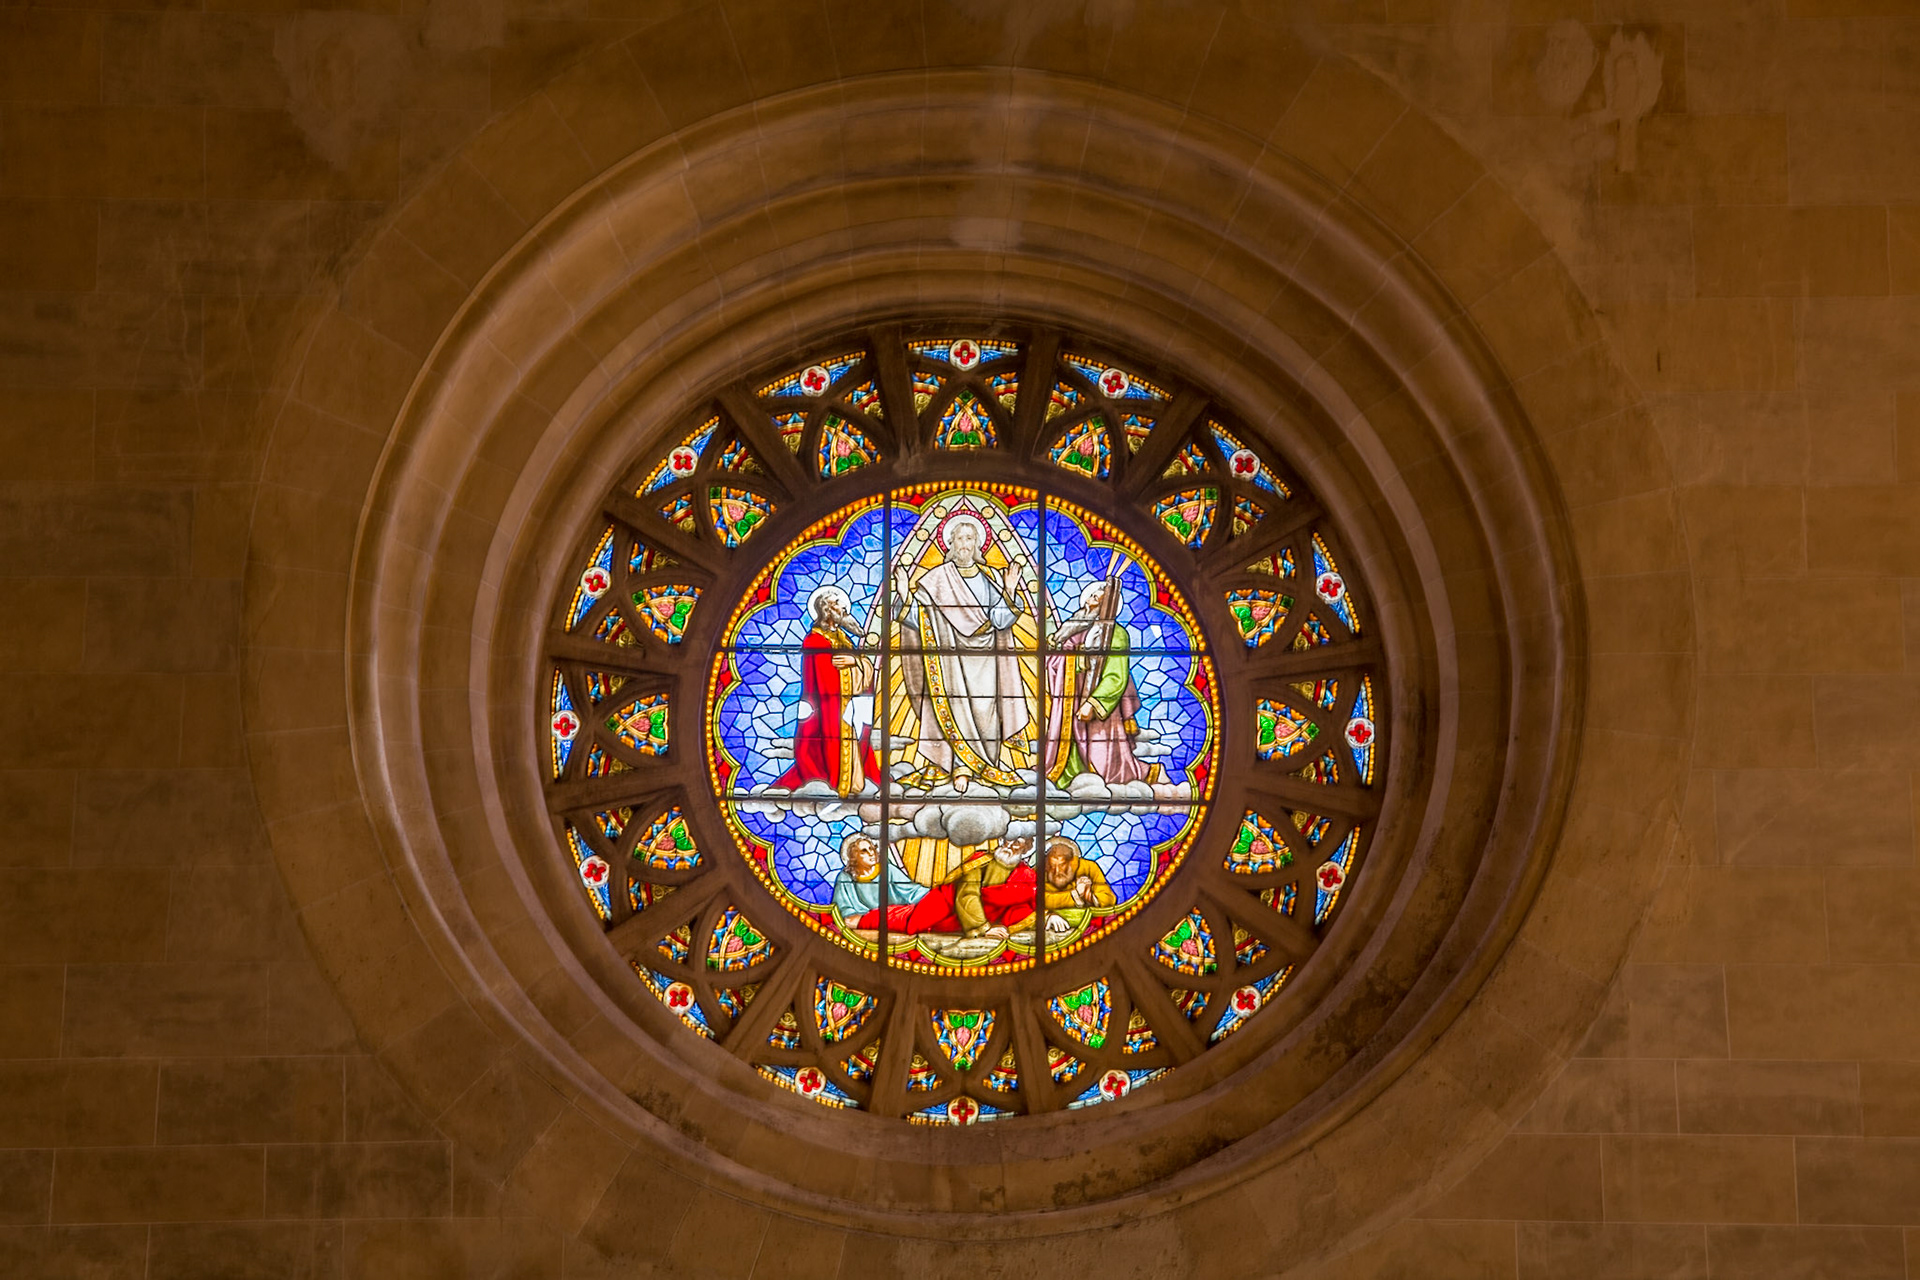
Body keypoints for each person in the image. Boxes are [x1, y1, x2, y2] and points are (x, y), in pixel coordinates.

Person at [887, 512, 1032, 789]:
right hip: (947, 661)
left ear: (978, 543)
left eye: (970, 538)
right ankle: (954, 766)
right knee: (946, 705)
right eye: (959, 538)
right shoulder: (937, 579)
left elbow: (1000, 621)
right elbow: (917, 618)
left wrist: (1010, 591)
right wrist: (905, 593)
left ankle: (983, 766)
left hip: (986, 661)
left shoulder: (990, 579)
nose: (964, 544)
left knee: (985, 711)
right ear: (950, 543)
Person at [1043, 578, 1156, 787]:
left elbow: (1117, 676)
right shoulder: (1073, 626)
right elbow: (1056, 661)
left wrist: (1093, 703)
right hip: (1068, 700)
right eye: (1092, 596)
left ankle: (1112, 782)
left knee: (1106, 763)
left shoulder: (1116, 635)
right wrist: (1070, 657)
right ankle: (1066, 774)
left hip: (1098, 706)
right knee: (1066, 747)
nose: (1091, 602)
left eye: (1098, 599)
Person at [777, 585, 881, 795]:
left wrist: (857, 663)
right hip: (826, 710)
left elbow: (859, 666)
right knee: (828, 750)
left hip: (848, 708)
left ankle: (853, 783)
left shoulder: (843, 638)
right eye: (838, 603)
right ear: (826, 609)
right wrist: (855, 665)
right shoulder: (815, 640)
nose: (843, 607)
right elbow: (825, 678)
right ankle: (834, 785)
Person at [898, 836, 1038, 938]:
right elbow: (967, 893)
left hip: (969, 922)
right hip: (944, 909)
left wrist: (1047, 917)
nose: (1010, 845)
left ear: (1026, 848)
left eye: (1017, 842)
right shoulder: (981, 860)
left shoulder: (1026, 875)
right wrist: (983, 928)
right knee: (896, 919)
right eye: (1009, 838)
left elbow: (1025, 906)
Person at [830, 832, 924, 930]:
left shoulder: (888, 870)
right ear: (853, 857)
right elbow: (842, 909)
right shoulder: (845, 878)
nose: (871, 853)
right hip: (865, 922)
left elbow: (912, 891)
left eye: (871, 848)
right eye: (863, 851)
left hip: (894, 916)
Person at [1040, 836, 1116, 911]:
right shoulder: (1040, 872)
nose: (1057, 871)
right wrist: (1075, 895)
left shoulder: (1088, 868)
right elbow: (1037, 900)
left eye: (1062, 865)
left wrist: (1087, 895)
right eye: (1052, 866)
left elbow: (1108, 898)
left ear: (1072, 863)